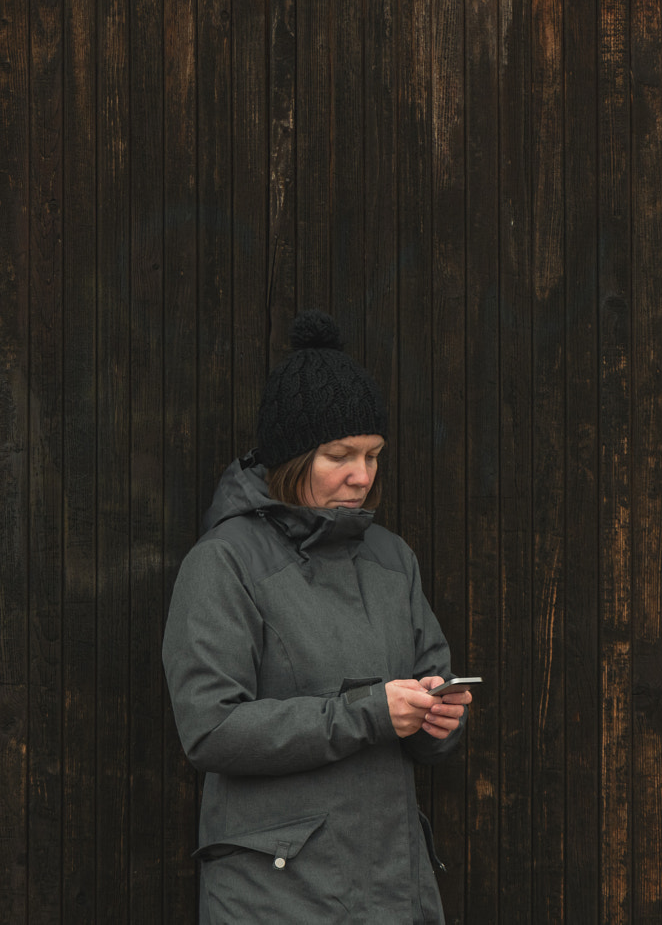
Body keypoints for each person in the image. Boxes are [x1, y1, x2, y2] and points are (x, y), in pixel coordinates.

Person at [163, 310, 471, 923]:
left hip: (392, 888)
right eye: (341, 456)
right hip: (275, 897)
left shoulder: (391, 558)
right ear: (292, 457)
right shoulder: (224, 563)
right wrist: (369, 713)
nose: (363, 476)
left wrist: (441, 720)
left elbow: (431, 689)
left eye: (374, 455)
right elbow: (210, 728)